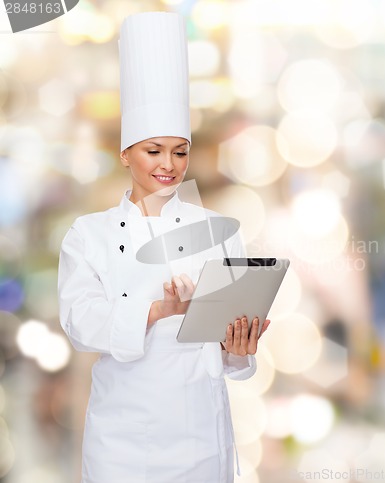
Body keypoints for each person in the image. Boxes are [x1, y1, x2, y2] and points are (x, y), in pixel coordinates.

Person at [58, 12, 269, 483]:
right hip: (122, 442)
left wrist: (240, 344)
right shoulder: (88, 234)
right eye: (153, 150)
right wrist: (156, 311)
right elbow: (80, 323)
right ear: (125, 153)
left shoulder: (220, 228)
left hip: (201, 437)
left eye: (179, 151)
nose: (168, 165)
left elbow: (232, 353)